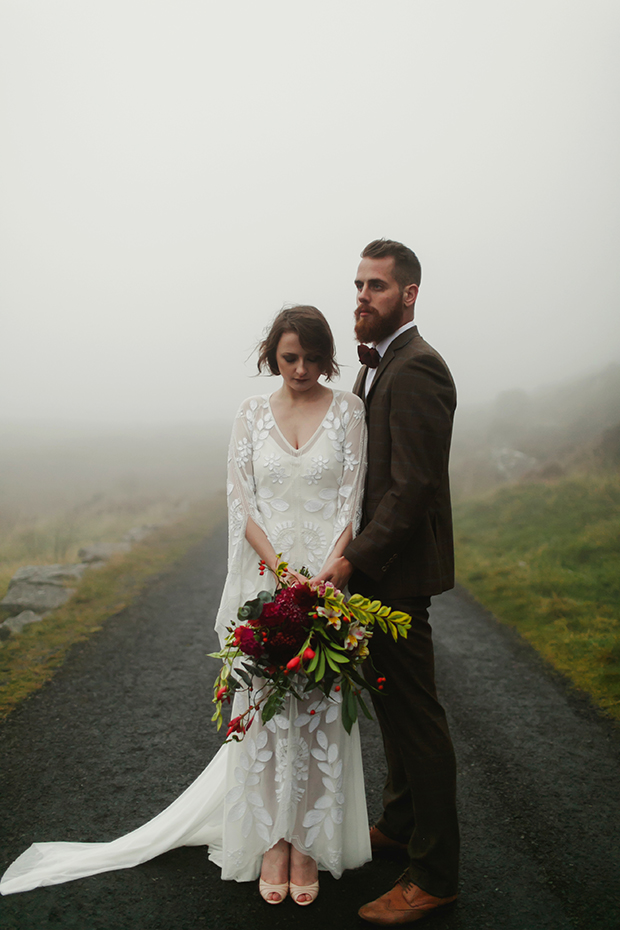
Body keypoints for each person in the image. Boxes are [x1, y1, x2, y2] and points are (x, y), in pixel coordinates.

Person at [0, 305, 371, 906]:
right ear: (272, 357)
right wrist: (279, 573)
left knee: (320, 706)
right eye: (288, 358)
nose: (300, 369)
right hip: (265, 583)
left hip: (328, 582)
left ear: (327, 355)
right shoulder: (250, 415)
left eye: (310, 357)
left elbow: (354, 502)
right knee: (269, 710)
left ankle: (308, 841)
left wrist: (328, 577)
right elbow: (240, 504)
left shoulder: (349, 410)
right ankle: (272, 840)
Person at [316, 240, 459, 924]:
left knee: (418, 720)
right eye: (358, 284)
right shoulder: (383, 365)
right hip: (381, 573)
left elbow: (413, 488)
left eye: (376, 286)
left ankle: (433, 873)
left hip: (395, 575)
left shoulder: (420, 367)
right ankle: (400, 826)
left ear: (408, 294)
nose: (361, 295)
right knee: (393, 711)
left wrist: (352, 563)